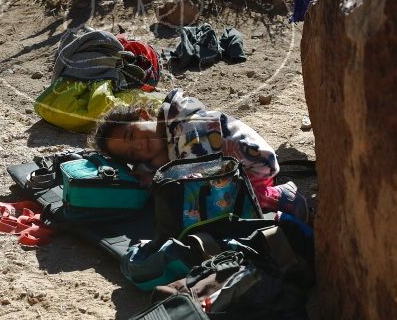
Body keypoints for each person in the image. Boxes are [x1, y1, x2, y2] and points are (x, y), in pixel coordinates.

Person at [90, 88, 310, 223]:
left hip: (255, 167)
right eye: (131, 153)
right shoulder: (167, 136)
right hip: (227, 167)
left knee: (220, 204)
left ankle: (280, 196)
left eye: (132, 134)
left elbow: (200, 174)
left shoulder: (187, 126)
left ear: (143, 115)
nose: (138, 146)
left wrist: (160, 177)